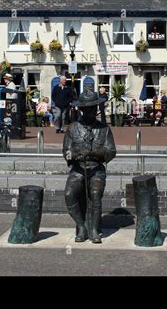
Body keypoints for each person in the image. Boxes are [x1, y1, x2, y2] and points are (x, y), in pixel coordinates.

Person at [62, 89, 116, 244]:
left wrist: (95, 154)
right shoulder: (72, 128)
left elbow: (111, 151)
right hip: (78, 170)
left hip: (96, 170)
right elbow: (65, 152)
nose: (90, 111)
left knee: (95, 193)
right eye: (87, 109)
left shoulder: (104, 129)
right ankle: (81, 226)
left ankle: (93, 229)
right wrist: (74, 153)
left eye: (93, 108)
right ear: (81, 109)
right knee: (69, 194)